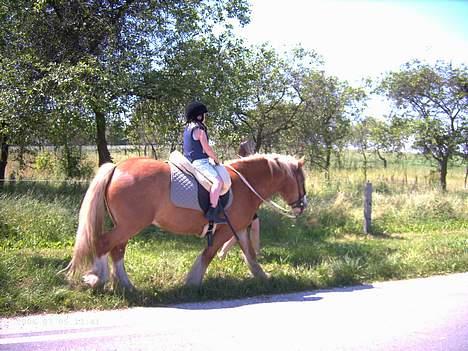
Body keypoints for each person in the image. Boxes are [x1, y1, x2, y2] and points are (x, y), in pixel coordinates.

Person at [183, 101, 226, 224]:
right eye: (203, 114)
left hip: (188, 161)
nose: (204, 117)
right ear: (199, 115)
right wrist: (216, 160)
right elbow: (206, 148)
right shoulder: (199, 129)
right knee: (218, 182)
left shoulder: (187, 128)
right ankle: (212, 211)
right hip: (200, 163)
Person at [218, 139, 261, 258]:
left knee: (246, 227)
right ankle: (224, 252)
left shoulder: (249, 166)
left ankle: (254, 252)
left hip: (246, 202)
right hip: (242, 202)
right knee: (242, 227)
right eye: (249, 150)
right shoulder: (240, 166)